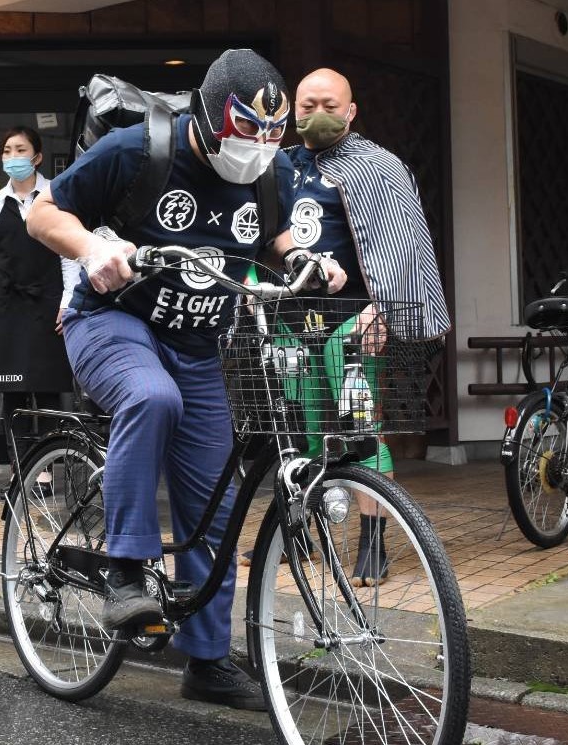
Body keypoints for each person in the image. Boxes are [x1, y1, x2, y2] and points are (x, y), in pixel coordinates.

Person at [26, 49, 346, 711]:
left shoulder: (268, 169)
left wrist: (306, 260)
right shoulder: (138, 151)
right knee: (150, 396)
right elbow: (42, 211)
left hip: (200, 346)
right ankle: (124, 567)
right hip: (112, 323)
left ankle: (206, 661)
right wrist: (92, 248)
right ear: (204, 118)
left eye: (269, 139)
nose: (255, 152)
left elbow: (273, 237)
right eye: (242, 137)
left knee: (212, 509)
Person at [286, 67, 451, 586]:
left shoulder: (378, 165)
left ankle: (373, 541)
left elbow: (400, 247)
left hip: (353, 323)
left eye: (329, 105)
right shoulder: (280, 166)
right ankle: (298, 536)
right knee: (302, 430)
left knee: (361, 428)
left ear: (351, 111)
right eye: (307, 104)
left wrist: (383, 307)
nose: (318, 114)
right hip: (292, 321)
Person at [0, 126, 78, 452]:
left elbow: (69, 257)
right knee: (12, 390)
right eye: (7, 151)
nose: (12, 157)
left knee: (48, 388)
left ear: (37, 157)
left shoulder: (57, 197)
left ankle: (46, 464)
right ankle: (19, 467)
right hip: (8, 304)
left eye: (20, 150)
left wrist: (66, 303)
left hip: (48, 302)